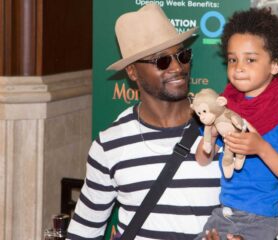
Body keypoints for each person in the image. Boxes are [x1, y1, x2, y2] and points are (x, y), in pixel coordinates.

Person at [66, 4, 226, 239]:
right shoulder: (110, 145)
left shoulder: (222, 126)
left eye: (182, 56)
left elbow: (265, 208)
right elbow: (83, 233)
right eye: (162, 61)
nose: (178, 67)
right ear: (132, 72)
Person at [195, 7, 278, 240]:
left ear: (276, 63)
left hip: (261, 222)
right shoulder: (223, 106)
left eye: (250, 59)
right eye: (232, 59)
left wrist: (261, 148)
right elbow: (202, 159)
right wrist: (213, 133)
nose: (239, 67)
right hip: (221, 216)